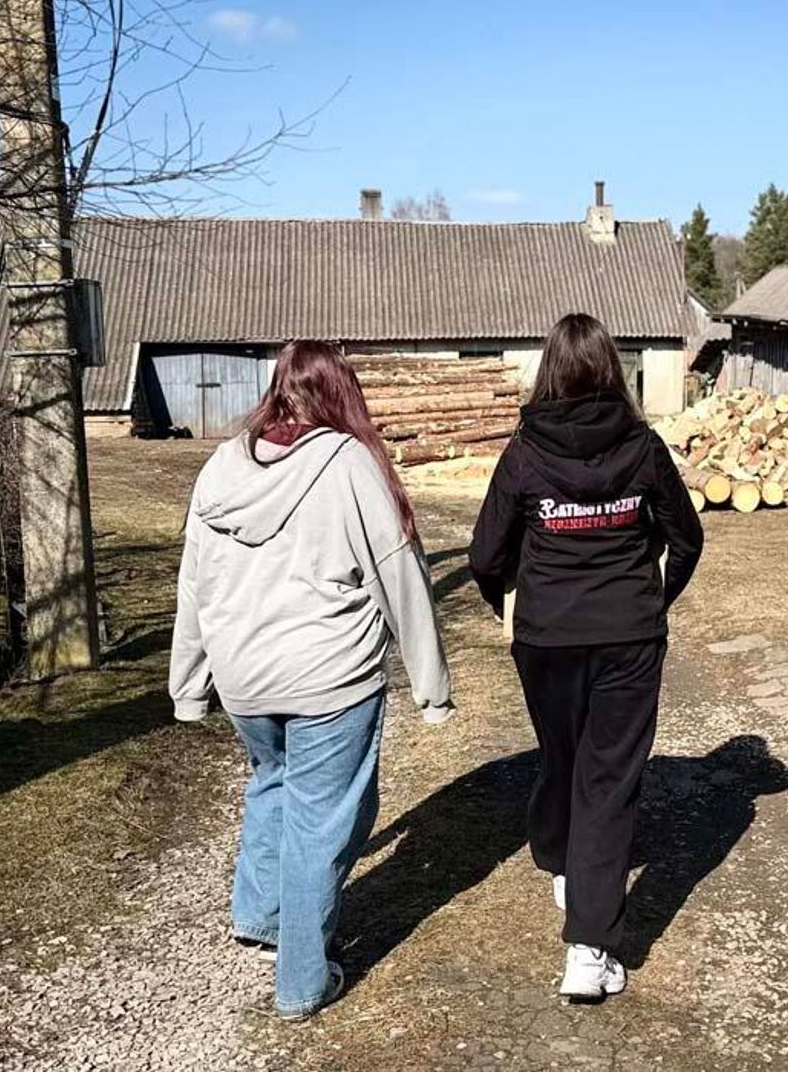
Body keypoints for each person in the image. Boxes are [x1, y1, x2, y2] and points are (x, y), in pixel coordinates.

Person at [168, 340, 453, 1021]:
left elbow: (194, 581)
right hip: (328, 678)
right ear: (342, 391)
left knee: (273, 781)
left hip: (244, 679)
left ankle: (260, 915)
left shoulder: (222, 464)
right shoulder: (349, 463)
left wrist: (190, 683)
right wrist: (432, 687)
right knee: (321, 821)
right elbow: (398, 570)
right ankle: (302, 981)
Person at [468, 313, 703, 1002]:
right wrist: (650, 599)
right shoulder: (636, 446)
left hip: (553, 637)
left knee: (581, 763)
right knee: (597, 776)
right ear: (611, 371)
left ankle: (587, 944)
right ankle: (568, 865)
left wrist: (511, 602)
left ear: (548, 371)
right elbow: (685, 540)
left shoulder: (530, 452)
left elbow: (485, 557)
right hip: (621, 633)